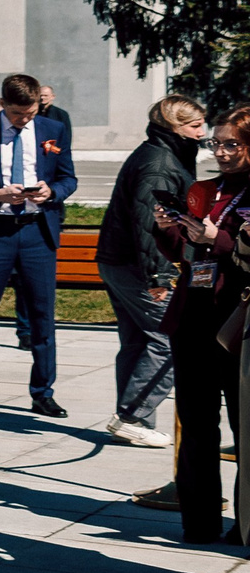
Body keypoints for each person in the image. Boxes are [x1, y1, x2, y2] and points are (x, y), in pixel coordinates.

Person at [0, 72, 79, 419]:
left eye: (32, 112)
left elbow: (68, 177)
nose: (25, 120)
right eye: (19, 114)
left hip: (38, 231)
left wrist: (53, 192)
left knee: (42, 317)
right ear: (4, 104)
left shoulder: (53, 130)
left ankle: (43, 392)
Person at [96, 96, 203, 448]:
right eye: (195, 126)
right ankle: (132, 416)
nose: (203, 133)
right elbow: (148, 224)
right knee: (171, 339)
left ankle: (132, 419)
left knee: (138, 340)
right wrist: (158, 278)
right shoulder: (159, 162)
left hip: (120, 260)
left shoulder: (162, 152)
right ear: (175, 126)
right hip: (135, 264)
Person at [163, 106, 249, 540]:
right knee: (195, 425)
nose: (222, 151)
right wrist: (168, 229)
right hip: (194, 317)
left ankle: (244, 525)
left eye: (231, 143)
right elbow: (184, 250)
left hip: (238, 322)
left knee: (245, 426)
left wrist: (220, 238)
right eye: (216, 143)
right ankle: (198, 521)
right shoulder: (203, 189)